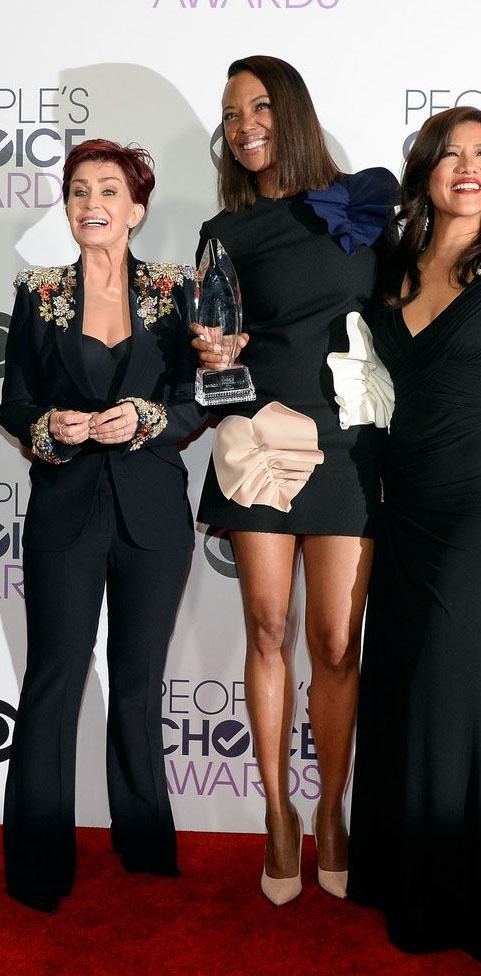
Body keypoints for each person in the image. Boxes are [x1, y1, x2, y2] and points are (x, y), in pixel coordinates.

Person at [191, 56, 397, 905]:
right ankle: (277, 813)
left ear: (296, 111)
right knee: (269, 628)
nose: (245, 125)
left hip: (349, 442)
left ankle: (333, 812)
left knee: (339, 643)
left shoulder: (365, 207)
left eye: (261, 106)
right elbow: (204, 364)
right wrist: (211, 360)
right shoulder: (224, 233)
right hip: (261, 442)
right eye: (233, 112)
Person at [0, 138, 204, 914]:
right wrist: (53, 424)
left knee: (140, 681)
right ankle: (39, 857)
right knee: (53, 677)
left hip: (153, 513)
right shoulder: (38, 291)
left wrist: (150, 417)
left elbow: (197, 398)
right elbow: (13, 404)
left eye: (109, 190)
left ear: (137, 208)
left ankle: (144, 841)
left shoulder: (176, 290)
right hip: (64, 510)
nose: (93, 203)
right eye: (80, 189)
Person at [348, 106, 481, 960]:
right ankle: (404, 873)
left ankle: (450, 898)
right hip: (398, 508)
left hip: (474, 508)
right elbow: (361, 386)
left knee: (445, 687)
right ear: (426, 169)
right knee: (397, 679)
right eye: (454, 155)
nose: (469, 168)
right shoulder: (391, 264)